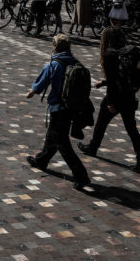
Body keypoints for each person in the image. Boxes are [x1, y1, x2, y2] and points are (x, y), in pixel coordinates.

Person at [25, 34, 91, 190]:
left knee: (62, 142)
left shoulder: (53, 64)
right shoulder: (75, 62)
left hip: (57, 108)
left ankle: (81, 175)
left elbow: (39, 86)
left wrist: (30, 93)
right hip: (72, 108)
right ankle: (42, 160)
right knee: (54, 134)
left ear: (54, 47)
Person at [80, 27, 140, 174]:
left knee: (101, 122)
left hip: (116, 96)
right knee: (132, 129)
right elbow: (122, 76)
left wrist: (111, 101)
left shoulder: (109, 54)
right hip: (129, 96)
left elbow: (113, 80)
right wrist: (104, 82)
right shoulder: (128, 52)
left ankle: (92, 148)